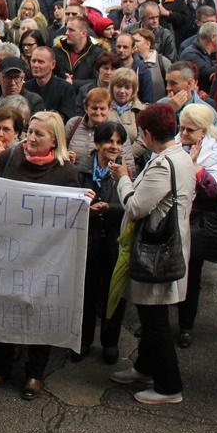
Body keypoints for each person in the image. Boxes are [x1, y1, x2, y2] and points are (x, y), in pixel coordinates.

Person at [0, 112, 80, 400]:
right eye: (30, 132)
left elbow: (69, 213)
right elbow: (1, 190)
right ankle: (1, 367)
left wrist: (84, 205)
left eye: (39, 134)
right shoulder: (13, 156)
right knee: (5, 309)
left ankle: (35, 373)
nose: (31, 139)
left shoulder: (65, 172)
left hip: (45, 255)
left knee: (39, 312)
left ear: (54, 140)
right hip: (10, 251)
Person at [108, 103, 196, 403]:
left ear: (147, 133)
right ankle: (144, 367)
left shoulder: (163, 165)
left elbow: (135, 207)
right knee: (150, 315)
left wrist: (121, 178)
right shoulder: (180, 157)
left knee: (155, 319)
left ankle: (169, 386)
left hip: (156, 252)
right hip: (170, 247)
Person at [174, 102, 217, 349]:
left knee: (191, 275)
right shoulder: (174, 143)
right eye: (182, 128)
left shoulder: (215, 154)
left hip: (195, 220)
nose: (184, 134)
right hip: (170, 215)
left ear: (203, 133)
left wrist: (195, 169)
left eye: (190, 130)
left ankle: (186, 325)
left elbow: (213, 192)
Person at [78, 122, 129, 365]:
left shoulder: (125, 172)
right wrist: (86, 208)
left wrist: (109, 209)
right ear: (98, 144)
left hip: (113, 242)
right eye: (110, 141)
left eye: (119, 142)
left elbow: (132, 205)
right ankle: (83, 340)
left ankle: (110, 342)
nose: (114, 146)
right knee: (85, 292)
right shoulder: (82, 169)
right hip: (87, 241)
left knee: (113, 293)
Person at [65, 87, 123, 174]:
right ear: (86, 108)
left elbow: (127, 163)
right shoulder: (73, 124)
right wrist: (66, 156)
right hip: (72, 178)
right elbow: (59, 150)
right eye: (94, 108)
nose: (98, 112)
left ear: (109, 108)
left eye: (102, 109)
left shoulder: (117, 129)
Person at [25, 46, 78, 121]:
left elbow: (67, 118)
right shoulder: (25, 87)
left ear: (53, 64)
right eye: (33, 61)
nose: (35, 65)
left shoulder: (65, 89)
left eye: (40, 62)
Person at [109, 67, 144, 145]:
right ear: (112, 87)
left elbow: (143, 140)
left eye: (127, 87)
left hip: (133, 156)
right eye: (119, 86)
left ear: (133, 90)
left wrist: (127, 155)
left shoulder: (141, 111)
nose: (122, 91)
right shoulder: (103, 108)